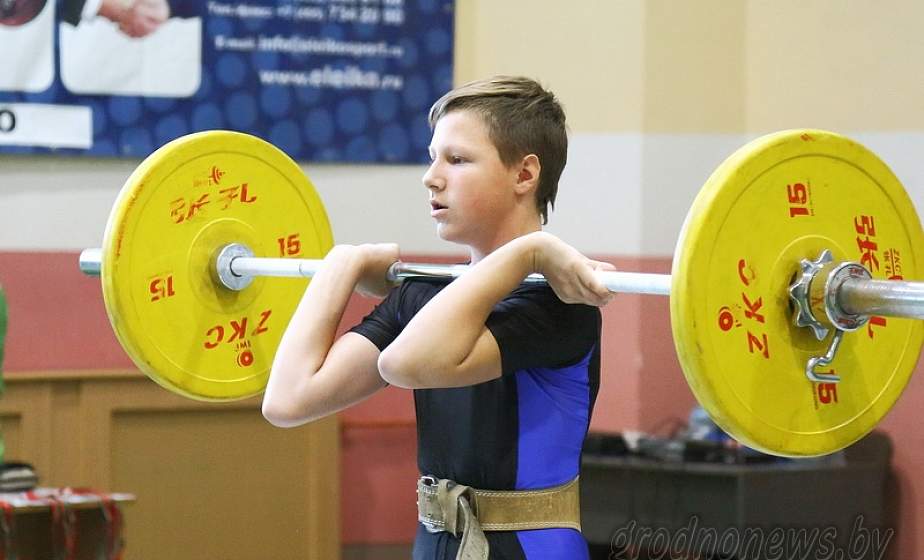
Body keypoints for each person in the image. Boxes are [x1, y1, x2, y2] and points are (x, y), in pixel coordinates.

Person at [263, 76, 616, 559]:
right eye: (433, 157)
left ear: (524, 175)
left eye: (457, 159)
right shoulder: (424, 295)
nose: (431, 176)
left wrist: (529, 254)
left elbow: (406, 365)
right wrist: (340, 266)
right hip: (434, 544)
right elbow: (288, 401)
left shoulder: (558, 303)